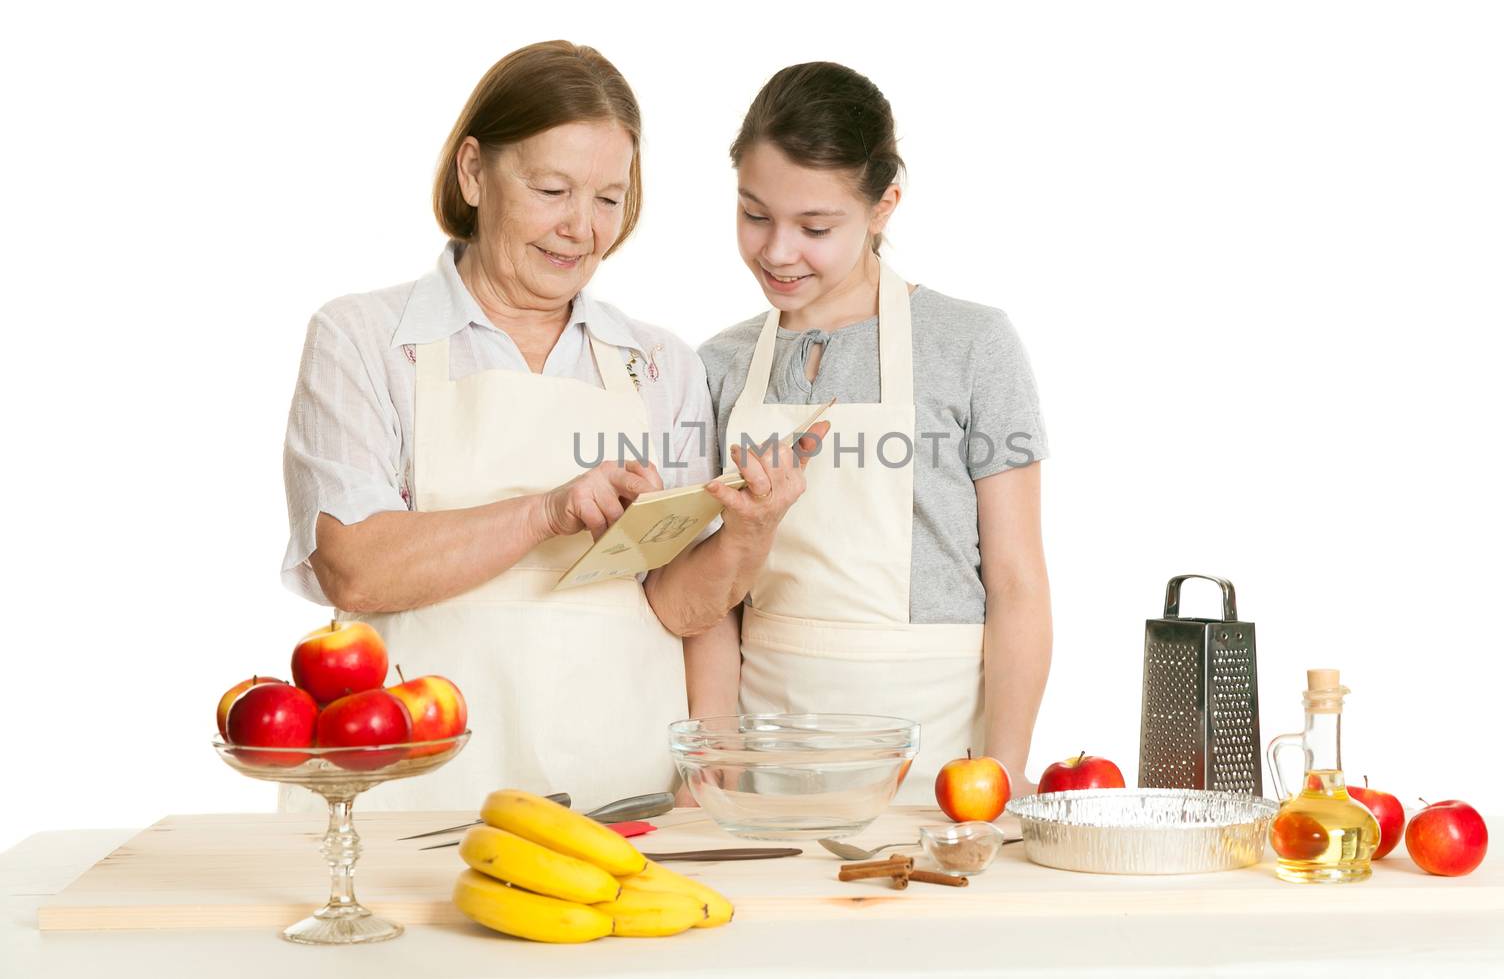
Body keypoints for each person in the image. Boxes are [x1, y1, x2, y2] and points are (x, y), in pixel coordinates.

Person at [280, 42, 820, 811]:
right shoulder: (364, 338)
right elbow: (354, 566)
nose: (581, 228)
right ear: (473, 172)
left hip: (621, 784)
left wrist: (747, 533)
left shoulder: (660, 364)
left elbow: (677, 605)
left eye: (608, 197)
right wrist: (547, 511)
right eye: (552, 188)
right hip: (409, 775)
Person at [691, 62, 1053, 803]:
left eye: (816, 227)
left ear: (884, 204)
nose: (778, 251)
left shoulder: (973, 345)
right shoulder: (719, 365)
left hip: (935, 757)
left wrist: (1005, 774)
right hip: (767, 751)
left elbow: (1017, 584)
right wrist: (712, 766)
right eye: (754, 214)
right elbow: (712, 599)